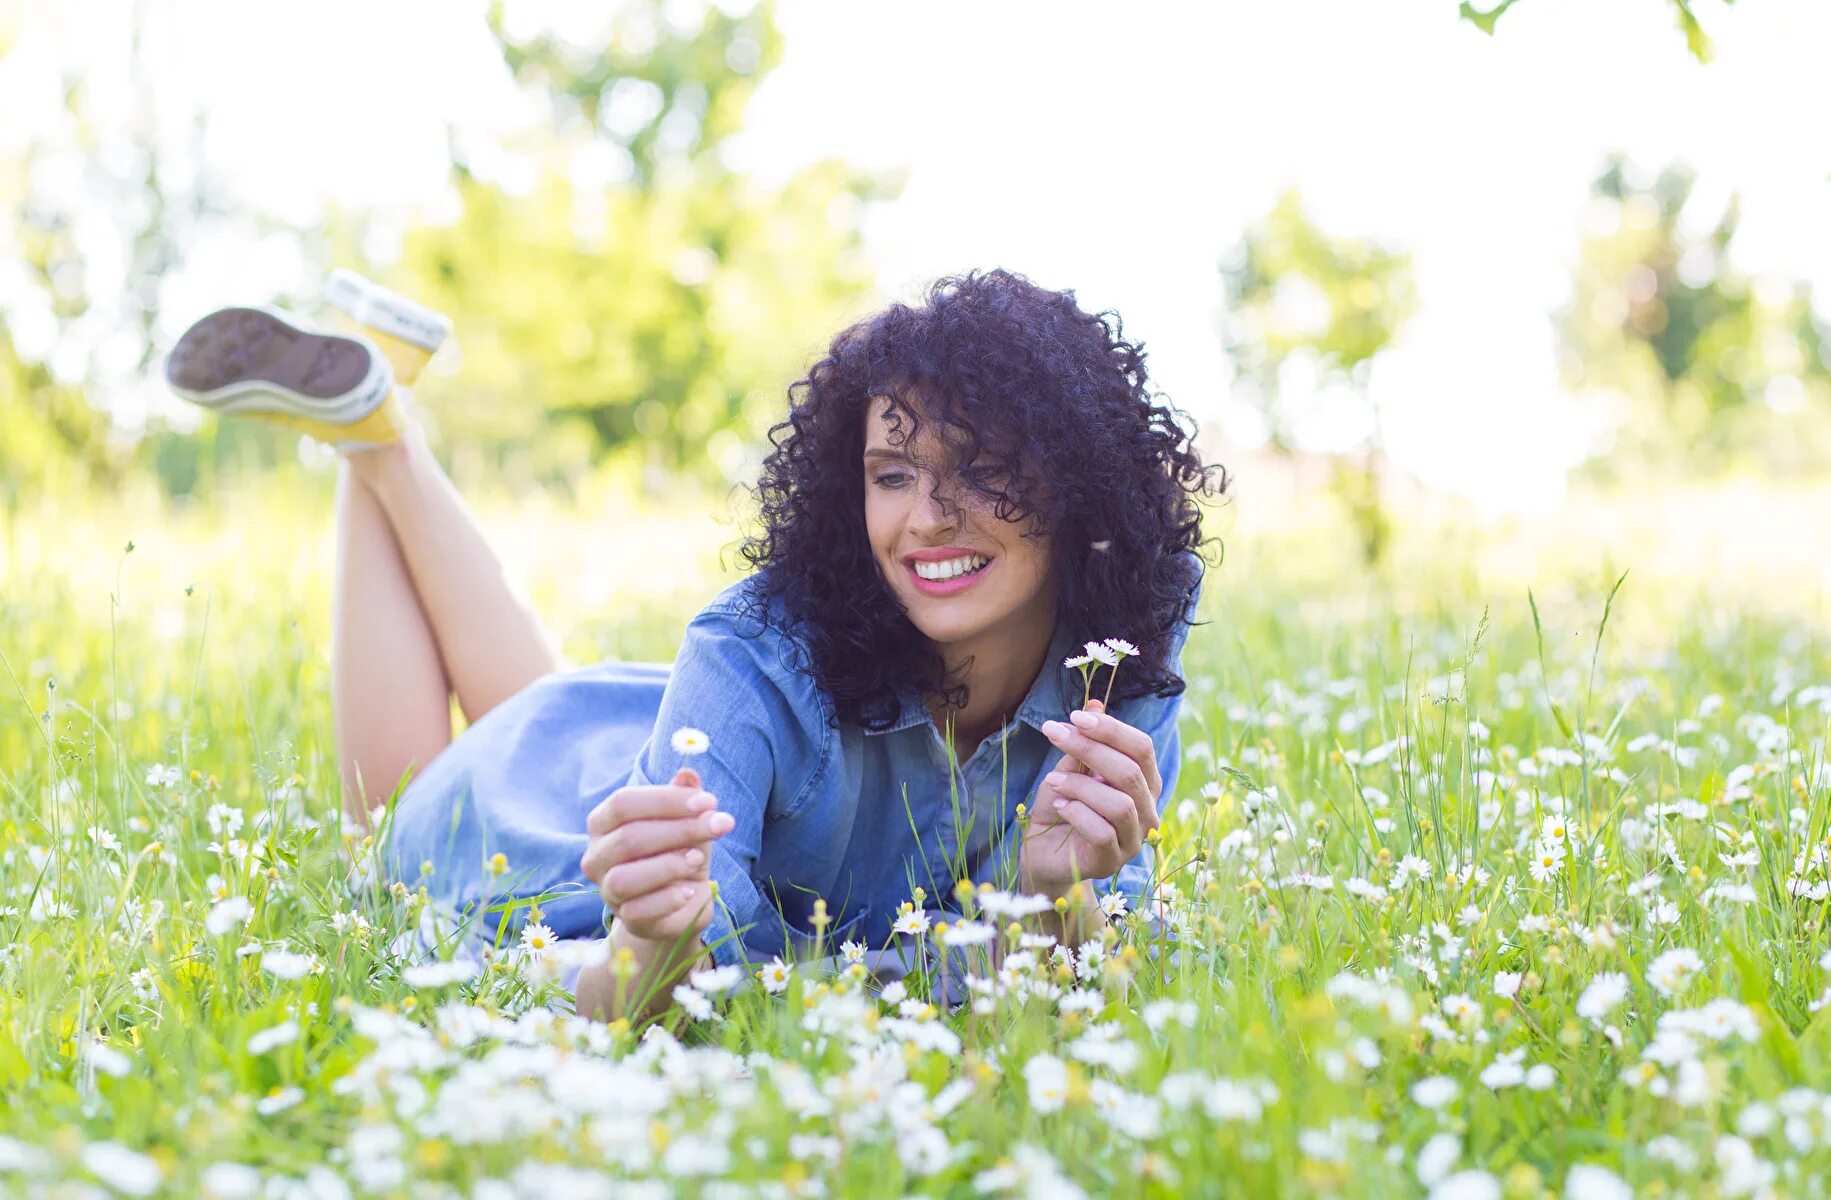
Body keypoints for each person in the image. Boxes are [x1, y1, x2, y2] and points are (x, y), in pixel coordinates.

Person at [163, 267, 1227, 1020]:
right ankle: (374, 434)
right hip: (539, 829)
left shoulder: (1127, 640)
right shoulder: (755, 647)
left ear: (1081, 479)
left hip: (607, 726)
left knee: (547, 701)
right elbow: (662, 991)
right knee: (384, 826)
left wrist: (1056, 901)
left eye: (980, 467)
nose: (926, 518)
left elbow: (1087, 965)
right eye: (892, 474)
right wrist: (644, 959)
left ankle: (373, 402)